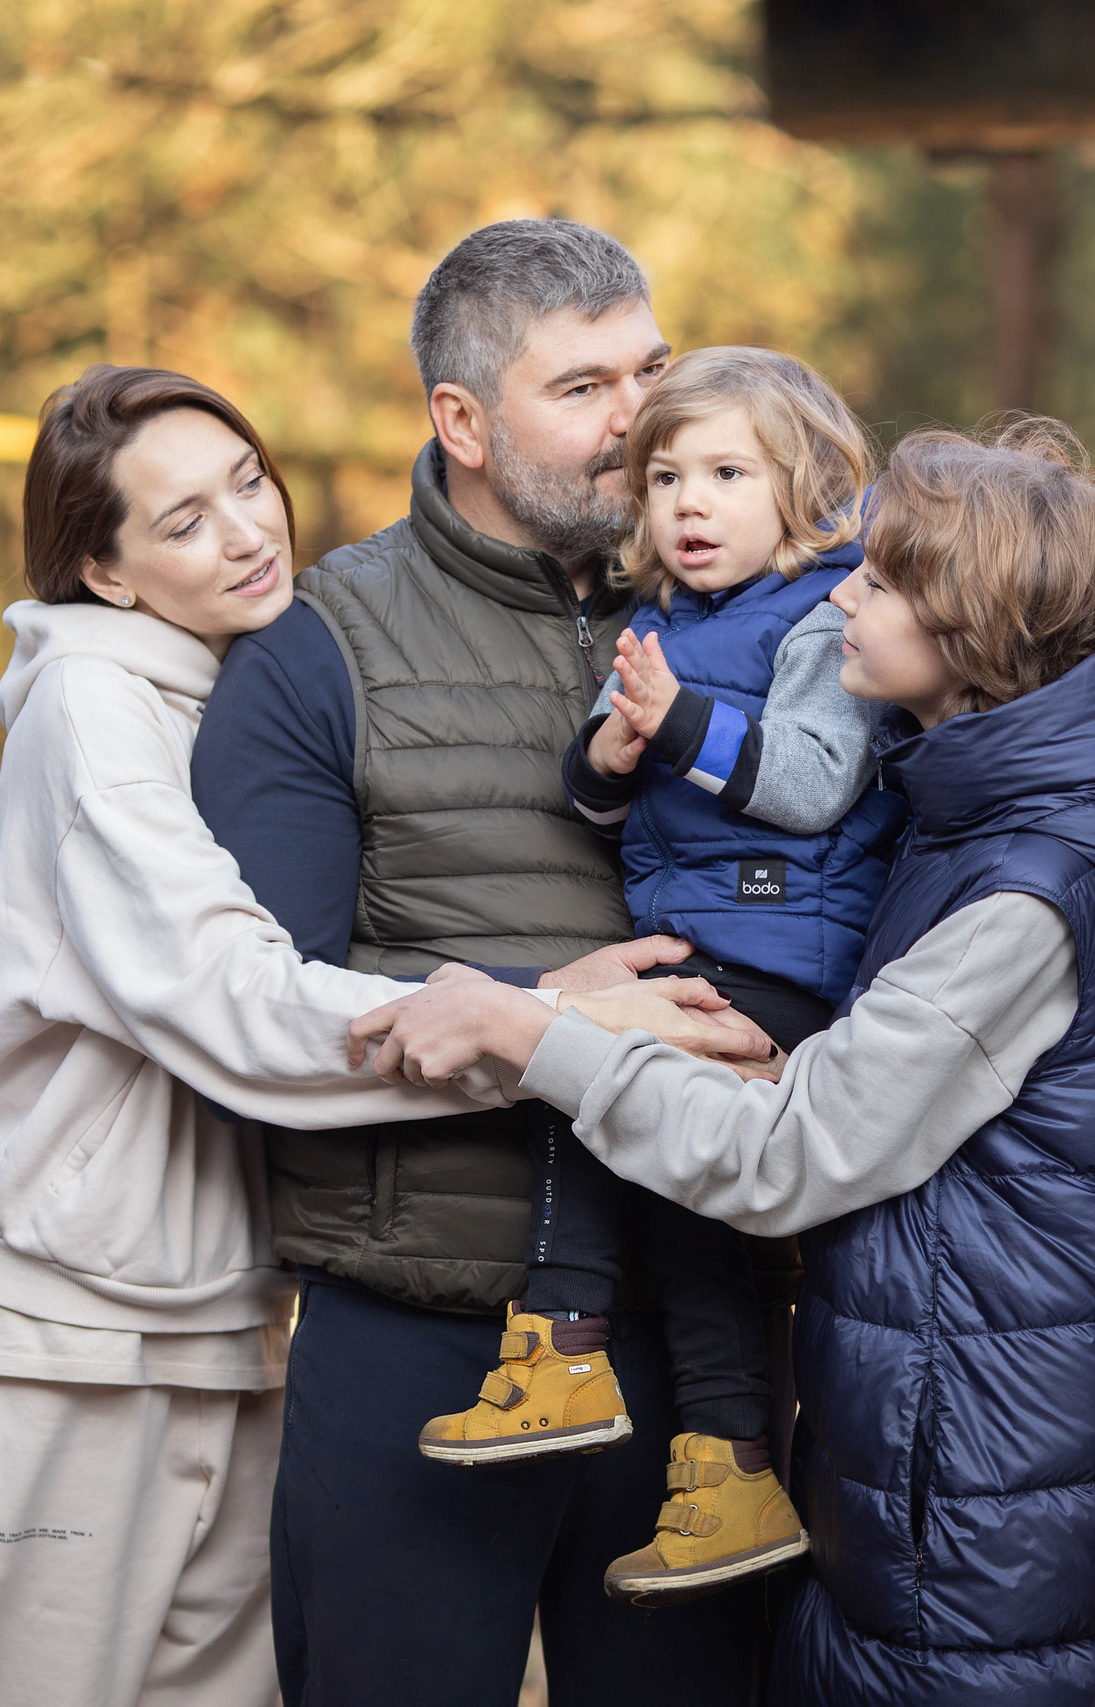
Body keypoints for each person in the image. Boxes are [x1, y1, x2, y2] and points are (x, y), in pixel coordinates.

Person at [0, 364, 758, 1707]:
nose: (246, 530)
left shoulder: (229, 683)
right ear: (104, 572)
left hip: (224, 1322)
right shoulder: (89, 710)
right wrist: (550, 1015)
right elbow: (233, 999)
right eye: (180, 521)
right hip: (65, 1336)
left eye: (247, 481)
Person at [354, 418, 1095, 1707]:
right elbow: (886, 1109)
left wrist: (526, 1030)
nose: (842, 596)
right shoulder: (969, 816)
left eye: (879, 582)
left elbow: (792, 1161)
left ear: (972, 629)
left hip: (991, 1545)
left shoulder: (1028, 894)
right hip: (959, 1484)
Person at [191, 221, 774, 1705]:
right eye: (582, 386)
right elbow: (261, 1024)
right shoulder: (319, 649)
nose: (639, 417)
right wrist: (549, 1016)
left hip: (692, 1335)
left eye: (650, 367)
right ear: (461, 420)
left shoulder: (766, 609)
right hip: (425, 1329)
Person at [416, 347, 906, 1609]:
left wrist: (677, 721)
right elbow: (590, 798)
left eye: (728, 474)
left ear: (806, 487)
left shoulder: (826, 612)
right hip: (703, 948)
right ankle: (727, 1472)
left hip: (784, 957)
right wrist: (617, 743)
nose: (690, 504)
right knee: (691, 1226)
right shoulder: (659, 629)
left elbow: (807, 780)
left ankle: (563, 1346)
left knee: (598, 1096)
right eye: (668, 477)